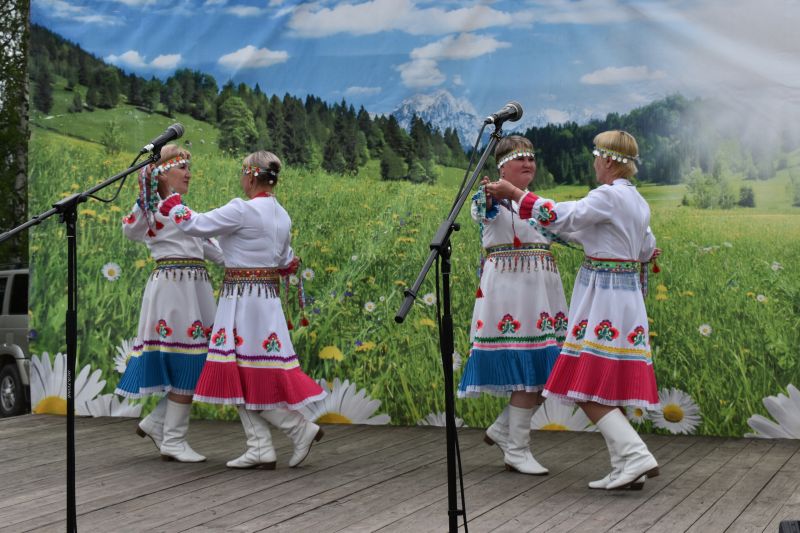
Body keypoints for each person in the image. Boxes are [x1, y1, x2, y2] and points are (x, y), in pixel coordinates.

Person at [486, 130, 660, 490]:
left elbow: (563, 214)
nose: (594, 164)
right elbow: (643, 247)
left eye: (597, 157)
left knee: (583, 383)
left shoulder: (608, 196)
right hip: (626, 298)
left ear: (608, 160)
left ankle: (633, 455)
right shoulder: (637, 201)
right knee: (608, 381)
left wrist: (517, 195)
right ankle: (624, 466)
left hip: (603, 298)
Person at [159, 150, 326, 469]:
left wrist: (171, 200)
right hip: (266, 302)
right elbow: (283, 261)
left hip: (242, 302)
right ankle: (260, 446)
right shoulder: (282, 215)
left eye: (241, 173)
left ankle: (298, 429)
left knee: (242, 373)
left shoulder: (241, 210)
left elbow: (193, 224)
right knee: (243, 373)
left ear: (250, 176)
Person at [457, 136, 569, 475]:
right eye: (520, 158)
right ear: (501, 166)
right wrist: (492, 193)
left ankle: (504, 431)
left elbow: (569, 231)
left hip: (542, 293)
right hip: (511, 293)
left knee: (552, 372)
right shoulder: (489, 198)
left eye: (532, 158)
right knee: (528, 374)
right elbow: (482, 210)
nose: (528, 164)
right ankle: (516, 449)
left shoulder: (537, 203)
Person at [116, 144, 224, 463]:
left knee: (196, 363)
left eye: (189, 167)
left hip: (194, 291)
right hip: (174, 291)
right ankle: (173, 440)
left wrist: (259, 266)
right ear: (163, 173)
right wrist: (147, 195)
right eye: (182, 168)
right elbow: (130, 229)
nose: (189, 173)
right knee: (187, 362)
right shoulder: (153, 210)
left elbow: (216, 251)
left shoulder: (184, 213)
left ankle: (157, 424)